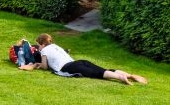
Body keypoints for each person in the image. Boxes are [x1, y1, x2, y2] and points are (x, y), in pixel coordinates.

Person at [20, 33, 148, 85]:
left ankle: (121, 78)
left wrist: (37, 64)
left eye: (39, 45)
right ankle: (129, 75)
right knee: (101, 69)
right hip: (77, 61)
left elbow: (45, 66)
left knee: (97, 74)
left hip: (68, 67)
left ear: (42, 44)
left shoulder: (45, 51)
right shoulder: (56, 46)